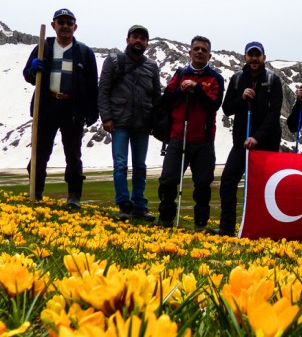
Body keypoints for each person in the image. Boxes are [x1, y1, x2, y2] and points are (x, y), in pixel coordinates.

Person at [22, 8, 98, 208]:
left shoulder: (84, 52)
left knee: (73, 153)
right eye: (61, 22)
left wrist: (92, 112)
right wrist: (32, 69)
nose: (65, 26)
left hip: (72, 108)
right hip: (47, 105)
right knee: (41, 150)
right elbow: (28, 76)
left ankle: (74, 196)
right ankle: (36, 191)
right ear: (54, 25)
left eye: (69, 23)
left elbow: (92, 85)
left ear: (75, 27)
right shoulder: (43, 47)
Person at [210, 41, 283, 236]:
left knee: (265, 187)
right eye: (250, 55)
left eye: (257, 55)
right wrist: (241, 99)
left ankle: (264, 229)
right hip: (241, 143)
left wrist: (257, 138)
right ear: (245, 57)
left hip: (266, 145)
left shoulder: (273, 80)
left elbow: (274, 114)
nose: (254, 58)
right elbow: (226, 109)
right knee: (227, 182)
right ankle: (226, 228)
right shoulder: (236, 79)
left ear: (263, 58)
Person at [153, 36, 224, 230]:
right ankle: (165, 219)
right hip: (177, 138)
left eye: (203, 50)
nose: (199, 52)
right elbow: (166, 99)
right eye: (196, 49)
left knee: (202, 184)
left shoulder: (215, 78)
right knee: (168, 180)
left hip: (204, 141)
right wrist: (182, 91)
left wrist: (197, 88)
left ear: (209, 54)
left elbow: (214, 104)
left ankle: (200, 224)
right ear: (190, 52)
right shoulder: (180, 74)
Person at [98, 25, 160, 221]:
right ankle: (124, 204)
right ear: (127, 40)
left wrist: (156, 121)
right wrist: (106, 117)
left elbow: (156, 96)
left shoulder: (152, 66)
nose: (138, 41)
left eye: (143, 38)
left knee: (140, 166)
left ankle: (140, 205)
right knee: (120, 164)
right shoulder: (113, 61)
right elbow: (104, 90)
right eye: (135, 37)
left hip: (143, 123)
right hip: (120, 123)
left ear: (147, 43)